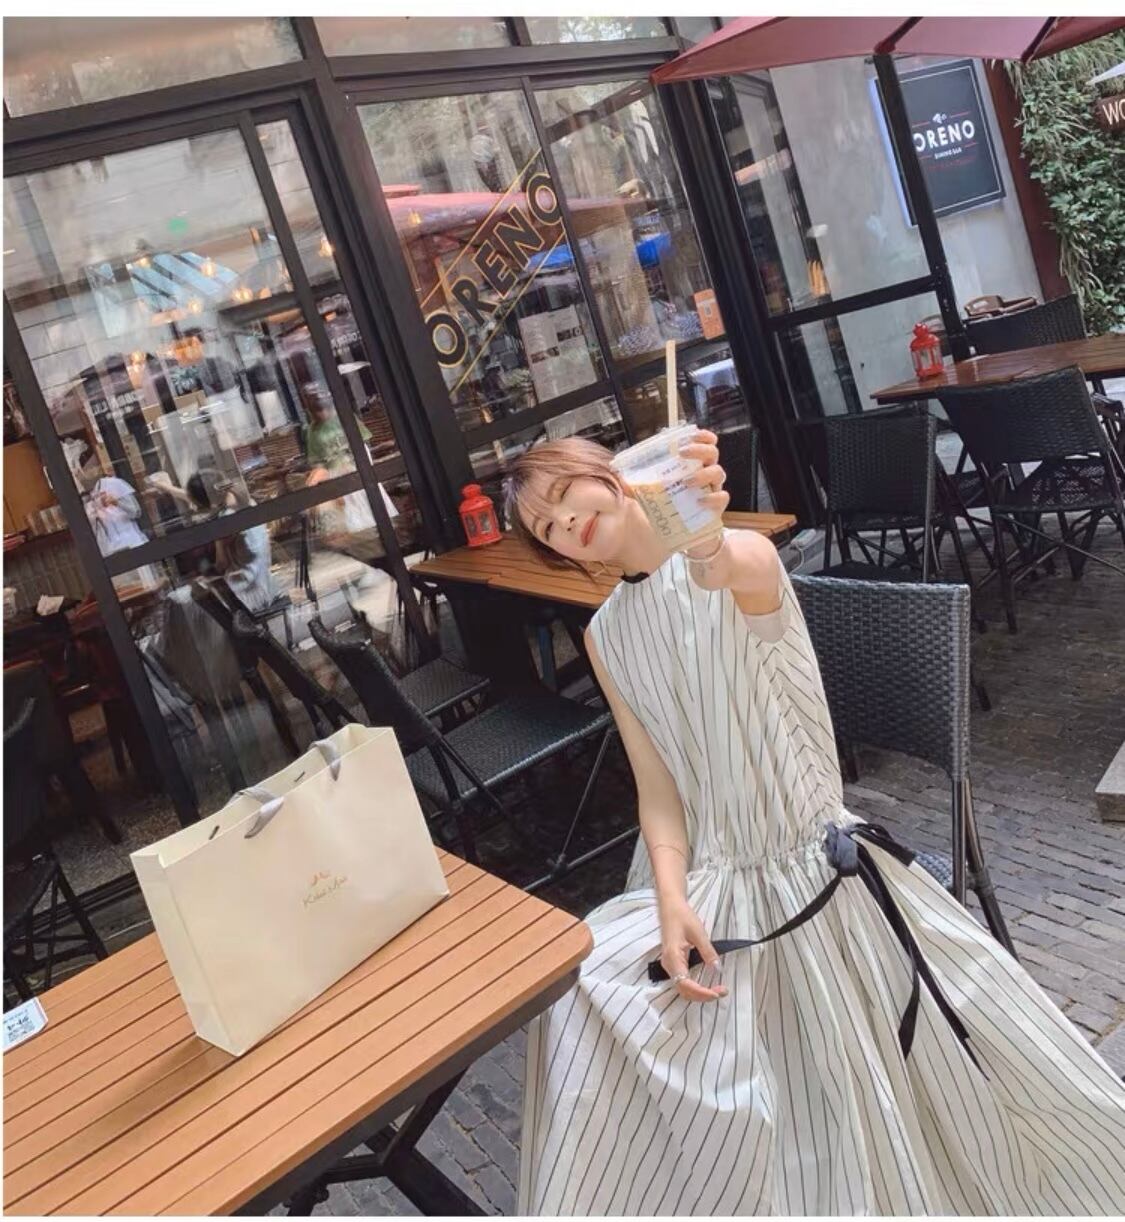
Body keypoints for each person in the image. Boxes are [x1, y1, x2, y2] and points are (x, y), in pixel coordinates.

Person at [506, 430, 1125, 1215]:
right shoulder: (606, 635)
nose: (565, 524)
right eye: (547, 528)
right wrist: (669, 898)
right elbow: (656, 787)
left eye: (566, 496)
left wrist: (700, 532)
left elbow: (728, 565)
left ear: (613, 475)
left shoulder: (739, 558)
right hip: (709, 877)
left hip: (810, 869)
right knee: (578, 992)